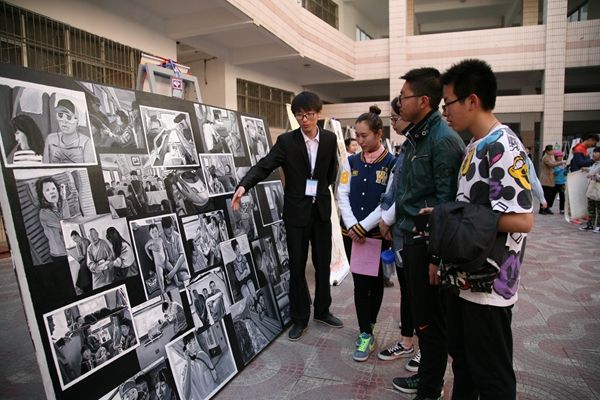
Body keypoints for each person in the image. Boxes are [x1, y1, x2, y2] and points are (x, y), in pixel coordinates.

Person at [440, 58, 534, 399]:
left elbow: (523, 219)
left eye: (447, 102)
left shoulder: (503, 147)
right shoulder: (473, 146)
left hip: (491, 285)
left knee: (492, 377)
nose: (444, 112)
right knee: (464, 365)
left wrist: (453, 215)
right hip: (467, 278)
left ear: (472, 100)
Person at [379, 68, 464, 398]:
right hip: (410, 240)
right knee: (423, 318)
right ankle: (428, 379)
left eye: (404, 97)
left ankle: (430, 387)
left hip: (428, 245)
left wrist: (435, 257)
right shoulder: (416, 137)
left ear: (423, 101)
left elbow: (446, 204)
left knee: (430, 322)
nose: (400, 102)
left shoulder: (443, 141)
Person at [232, 91, 342, 341]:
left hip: (321, 211)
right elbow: (264, 165)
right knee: (297, 266)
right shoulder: (286, 142)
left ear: (318, 113)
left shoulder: (329, 139)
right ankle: (299, 317)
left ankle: (323, 310)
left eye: (309, 114)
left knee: (323, 263)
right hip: (296, 213)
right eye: (300, 115)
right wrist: (243, 186)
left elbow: (330, 174)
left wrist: (321, 196)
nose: (305, 120)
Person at [336, 105, 395, 362]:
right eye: (357, 136)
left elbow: (389, 201)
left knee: (375, 283)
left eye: (364, 136)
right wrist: (352, 225)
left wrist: (364, 226)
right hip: (354, 235)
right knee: (360, 284)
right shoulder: (351, 162)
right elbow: (342, 194)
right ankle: (364, 333)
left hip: (375, 235)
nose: (359, 141)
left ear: (378, 134)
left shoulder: (392, 163)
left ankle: (370, 323)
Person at [378, 97, 419, 367]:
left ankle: (425, 351)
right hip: (401, 231)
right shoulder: (407, 146)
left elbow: (408, 192)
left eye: (396, 117)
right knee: (408, 290)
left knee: (422, 295)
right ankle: (407, 341)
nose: (393, 123)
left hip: (417, 232)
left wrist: (386, 218)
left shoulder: (428, 146)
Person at [43, 99, 95, 164]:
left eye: (69, 117)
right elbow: (45, 164)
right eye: (60, 116)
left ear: (77, 121)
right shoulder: (50, 139)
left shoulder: (86, 142)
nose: (64, 121)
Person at [36, 177, 71, 262]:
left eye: (53, 188)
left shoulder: (60, 208)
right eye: (47, 190)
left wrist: (63, 200)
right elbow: (65, 224)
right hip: (59, 255)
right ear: (42, 195)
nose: (52, 192)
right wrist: (64, 199)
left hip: (69, 251)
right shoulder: (44, 213)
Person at [145, 223, 177, 294]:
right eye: (152, 232)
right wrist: (150, 256)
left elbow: (165, 249)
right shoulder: (150, 241)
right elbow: (145, 247)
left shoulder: (160, 239)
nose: (154, 233)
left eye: (156, 231)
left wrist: (167, 257)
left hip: (165, 261)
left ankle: (177, 282)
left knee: (173, 270)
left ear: (158, 231)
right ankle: (162, 291)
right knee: (160, 278)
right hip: (158, 264)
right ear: (150, 234)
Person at [161, 216, 190, 285]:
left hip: (179, 265)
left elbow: (182, 255)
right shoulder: (160, 239)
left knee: (187, 278)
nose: (170, 230)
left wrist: (173, 271)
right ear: (163, 229)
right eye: (167, 228)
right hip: (169, 268)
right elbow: (165, 260)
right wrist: (173, 274)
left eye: (172, 227)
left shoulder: (177, 236)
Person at [539, 145, 565, 214]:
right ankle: (542, 209)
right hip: (546, 179)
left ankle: (547, 208)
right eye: (551, 150)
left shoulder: (550, 157)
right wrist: (561, 162)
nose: (553, 151)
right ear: (547, 151)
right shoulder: (546, 157)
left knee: (549, 195)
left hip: (550, 179)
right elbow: (551, 165)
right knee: (546, 195)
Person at [579, 147, 600, 232]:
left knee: (599, 208)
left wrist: (595, 176)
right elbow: (591, 171)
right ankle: (590, 224)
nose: (594, 154)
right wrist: (586, 169)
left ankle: (598, 225)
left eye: (596, 152)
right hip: (592, 187)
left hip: (598, 187)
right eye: (593, 152)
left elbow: (594, 174)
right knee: (591, 207)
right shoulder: (595, 164)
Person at [553, 150, 567, 214]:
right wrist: (560, 168)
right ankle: (548, 207)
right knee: (552, 196)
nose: (560, 157)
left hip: (562, 183)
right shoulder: (554, 163)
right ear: (556, 157)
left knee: (562, 197)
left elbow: (565, 173)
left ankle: (562, 210)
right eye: (559, 156)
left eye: (561, 156)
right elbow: (554, 172)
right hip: (555, 182)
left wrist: (565, 170)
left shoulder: (563, 163)